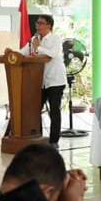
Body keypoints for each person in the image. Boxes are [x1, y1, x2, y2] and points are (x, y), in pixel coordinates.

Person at [25, 15, 67, 146]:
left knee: (54, 111)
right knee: (35, 109)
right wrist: (12, 54)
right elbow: (25, 52)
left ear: (49, 25)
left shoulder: (55, 39)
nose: (37, 25)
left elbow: (52, 54)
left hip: (55, 80)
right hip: (41, 81)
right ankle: (38, 137)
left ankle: (54, 141)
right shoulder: (34, 39)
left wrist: (38, 47)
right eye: (37, 23)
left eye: (40, 23)